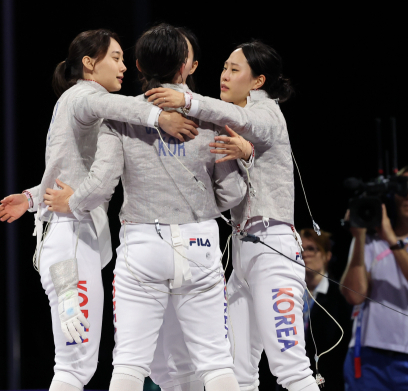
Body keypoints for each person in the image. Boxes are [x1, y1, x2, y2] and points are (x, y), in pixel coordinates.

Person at [44, 23, 247, 391]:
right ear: (188, 66)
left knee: (130, 364)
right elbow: (232, 194)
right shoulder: (211, 115)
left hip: (142, 247)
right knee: (216, 362)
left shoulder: (121, 116)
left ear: (138, 65)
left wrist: (71, 201)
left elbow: (101, 183)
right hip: (200, 242)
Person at [0, 29, 198, 391]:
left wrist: (31, 197)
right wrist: (161, 117)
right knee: (75, 366)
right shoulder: (86, 95)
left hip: (71, 237)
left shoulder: (74, 102)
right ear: (89, 63)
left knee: (76, 364)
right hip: (70, 244)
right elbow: (118, 107)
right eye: (115, 58)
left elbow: (62, 171)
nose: (123, 67)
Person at [145, 40, 320, 391]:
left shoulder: (267, 110)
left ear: (257, 82)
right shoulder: (233, 125)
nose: (224, 75)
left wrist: (188, 100)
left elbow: (248, 123)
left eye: (234, 69)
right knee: (237, 375)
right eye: (224, 67)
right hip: (241, 256)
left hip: (275, 251)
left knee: (291, 369)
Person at [340, 167, 408, 391]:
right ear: (393, 195)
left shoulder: (386, 239)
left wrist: (391, 240)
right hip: (369, 358)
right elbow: (353, 295)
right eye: (403, 188)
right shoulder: (370, 241)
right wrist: (359, 238)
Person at [299, 228, 351, 391]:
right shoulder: (288, 295)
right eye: (301, 249)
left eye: (311, 249)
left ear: (327, 255)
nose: (305, 254)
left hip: (330, 382)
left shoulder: (341, 296)